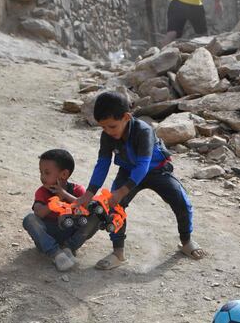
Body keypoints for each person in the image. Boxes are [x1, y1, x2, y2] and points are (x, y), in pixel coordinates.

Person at [73, 91, 204, 270]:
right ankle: (118, 253)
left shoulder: (143, 131)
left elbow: (143, 164)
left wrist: (121, 191)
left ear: (126, 117)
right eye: (103, 128)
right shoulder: (108, 136)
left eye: (112, 126)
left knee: (181, 201)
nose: (108, 132)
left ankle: (186, 241)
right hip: (127, 171)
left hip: (156, 171)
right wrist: (89, 194)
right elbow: (102, 164)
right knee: (114, 209)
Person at [23, 149, 99, 271]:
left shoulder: (77, 190)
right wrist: (57, 198)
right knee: (29, 219)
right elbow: (39, 213)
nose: (42, 177)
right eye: (41, 172)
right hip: (48, 234)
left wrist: (64, 194)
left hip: (71, 232)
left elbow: (86, 209)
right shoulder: (42, 191)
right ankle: (56, 254)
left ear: (64, 174)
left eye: (47, 173)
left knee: (97, 214)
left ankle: (68, 248)